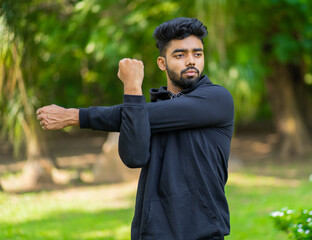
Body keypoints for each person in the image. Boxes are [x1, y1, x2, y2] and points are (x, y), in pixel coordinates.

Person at [37, 17, 234, 240]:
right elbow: (134, 157)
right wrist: (132, 94)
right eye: (180, 55)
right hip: (150, 233)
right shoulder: (139, 112)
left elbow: (144, 113)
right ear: (162, 63)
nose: (191, 61)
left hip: (202, 232)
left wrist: (75, 115)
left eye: (197, 54)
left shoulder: (217, 99)